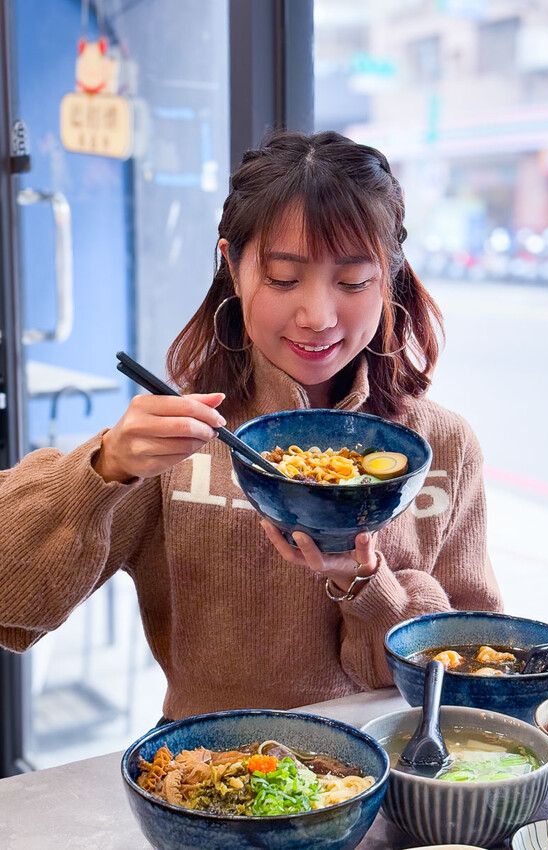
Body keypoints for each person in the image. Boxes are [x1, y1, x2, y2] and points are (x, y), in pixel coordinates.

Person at [0, 129, 502, 719]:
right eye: (283, 279)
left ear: (389, 277)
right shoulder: (179, 439)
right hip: (203, 782)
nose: (317, 316)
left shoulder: (442, 445)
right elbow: (14, 596)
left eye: (353, 282)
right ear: (232, 267)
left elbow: (479, 670)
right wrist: (103, 468)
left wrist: (370, 585)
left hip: (389, 776)